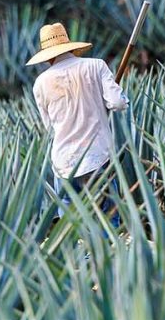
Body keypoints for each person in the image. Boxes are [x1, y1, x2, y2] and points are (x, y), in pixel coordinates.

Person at [27, 22, 128, 222]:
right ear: (70, 46)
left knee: (69, 226)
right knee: (109, 219)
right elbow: (117, 103)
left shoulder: (40, 83)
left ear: (47, 56)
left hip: (63, 163)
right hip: (97, 158)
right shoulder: (95, 66)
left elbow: (49, 128)